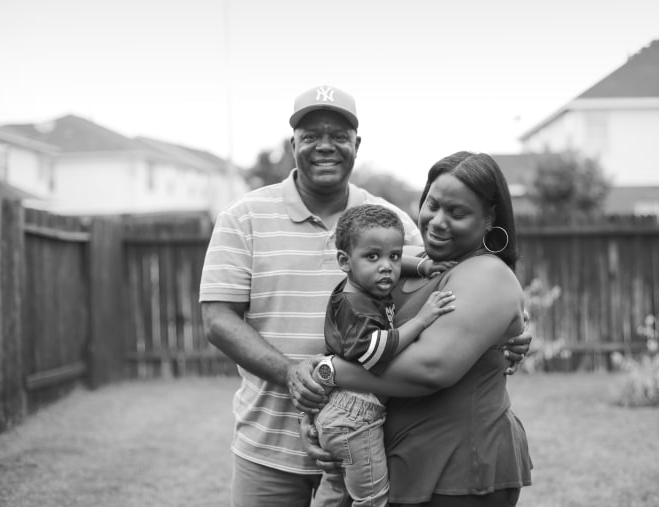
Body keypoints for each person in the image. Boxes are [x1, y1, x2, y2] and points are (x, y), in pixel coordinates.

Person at [199, 84, 531, 507]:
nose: (326, 146)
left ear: (357, 144)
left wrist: (514, 326)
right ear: (292, 143)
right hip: (272, 441)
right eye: (311, 135)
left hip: (370, 437)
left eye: (338, 136)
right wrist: (292, 374)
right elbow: (218, 320)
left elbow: (455, 283)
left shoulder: (390, 220)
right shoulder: (243, 217)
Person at [301, 151, 532, 507]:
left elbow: (430, 369)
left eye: (457, 213)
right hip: (390, 455)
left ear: (489, 218)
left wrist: (330, 372)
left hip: (459, 467)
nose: (438, 221)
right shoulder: (400, 261)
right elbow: (356, 332)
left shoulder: (487, 274)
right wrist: (327, 415)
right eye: (433, 204)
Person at [310, 204, 456, 507]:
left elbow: (391, 259)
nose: (387, 266)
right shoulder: (358, 308)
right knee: (373, 499)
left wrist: (422, 267)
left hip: (339, 413)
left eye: (395, 256)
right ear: (344, 261)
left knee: (336, 490)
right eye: (372, 257)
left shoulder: (357, 288)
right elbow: (377, 355)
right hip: (356, 419)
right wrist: (423, 318)